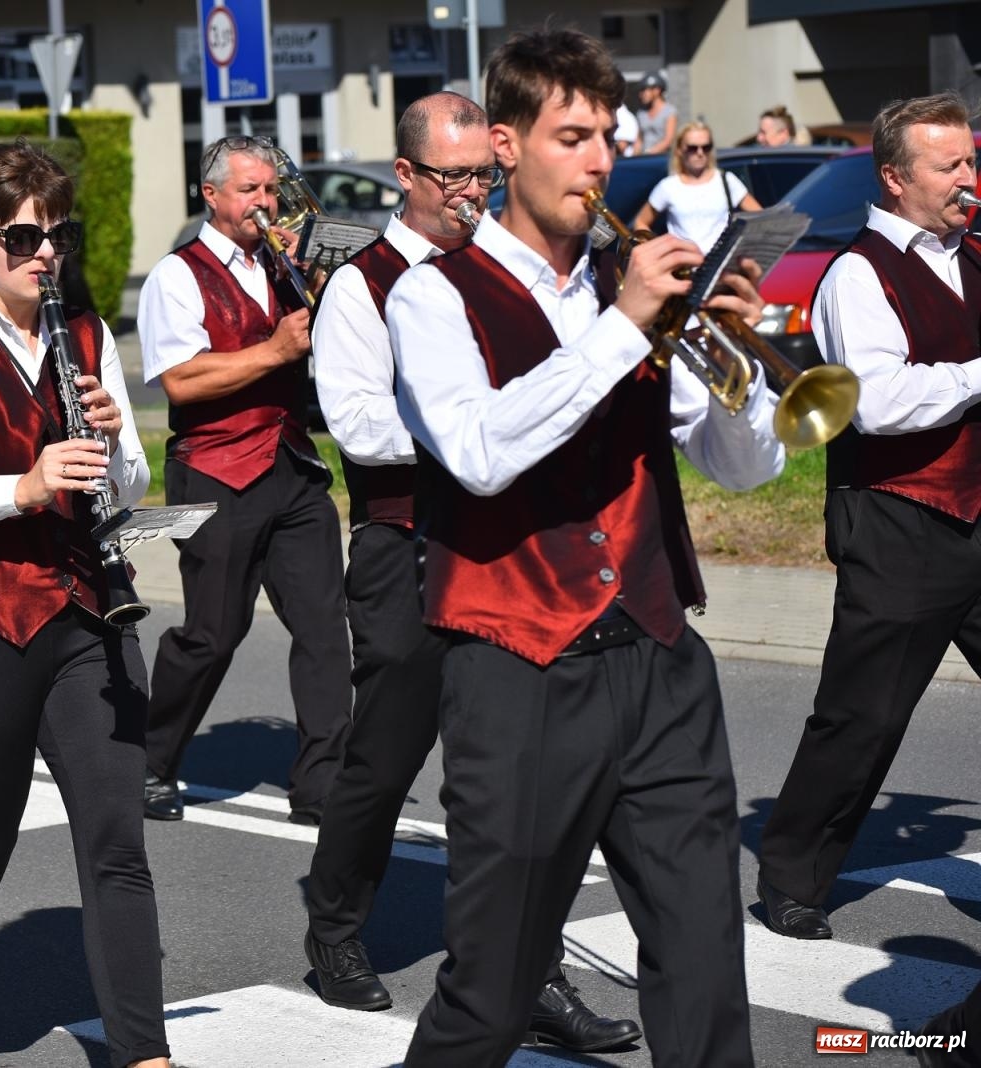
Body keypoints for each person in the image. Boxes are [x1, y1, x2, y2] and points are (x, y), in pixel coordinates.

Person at [387, 27, 785, 1064]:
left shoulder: (629, 284)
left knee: (705, 970)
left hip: (660, 657)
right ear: (505, 146)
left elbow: (743, 470)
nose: (602, 159)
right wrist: (623, 326)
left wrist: (740, 367)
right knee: (492, 993)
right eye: (573, 137)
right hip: (519, 670)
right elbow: (478, 453)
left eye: (608, 135)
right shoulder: (433, 292)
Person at [304, 90, 641, 1053]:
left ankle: (529, 972)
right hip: (406, 541)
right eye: (452, 177)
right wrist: (466, 420)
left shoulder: (516, 272)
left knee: (508, 777)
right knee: (386, 756)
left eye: (484, 175)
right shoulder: (363, 286)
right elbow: (358, 426)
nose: (472, 194)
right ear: (405, 175)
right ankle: (335, 927)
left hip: (514, 547)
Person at [0, 140, 170, 1068]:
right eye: (22, 236)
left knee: (116, 841)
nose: (44, 253)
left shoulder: (85, 334)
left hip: (89, 616)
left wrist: (115, 445)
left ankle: (145, 1053)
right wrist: (23, 487)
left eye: (56, 235)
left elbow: (128, 484)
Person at [756, 92, 981, 942]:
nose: (968, 178)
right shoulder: (856, 274)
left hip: (976, 509)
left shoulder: (975, 255)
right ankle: (792, 875)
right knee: (864, 716)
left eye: (970, 160)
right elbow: (880, 405)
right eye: (949, 165)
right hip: (898, 520)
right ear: (895, 177)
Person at [137, 134, 352, 825]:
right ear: (211, 195)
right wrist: (275, 350)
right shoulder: (177, 275)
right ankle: (151, 760)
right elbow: (181, 380)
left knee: (325, 628)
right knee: (212, 634)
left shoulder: (282, 264)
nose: (265, 203)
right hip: (215, 469)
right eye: (249, 190)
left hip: (292, 464)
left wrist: (325, 283)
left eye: (269, 190)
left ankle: (321, 786)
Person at [634, 122, 762, 253]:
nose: (700, 153)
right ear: (679, 150)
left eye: (706, 147)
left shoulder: (727, 180)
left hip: (721, 262)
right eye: (692, 148)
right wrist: (660, 251)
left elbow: (762, 218)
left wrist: (743, 247)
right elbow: (640, 222)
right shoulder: (668, 187)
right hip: (684, 263)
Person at [635, 71, 677, 155]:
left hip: (662, 157)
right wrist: (633, 156)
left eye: (644, 90)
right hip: (644, 157)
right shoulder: (641, 113)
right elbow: (639, 140)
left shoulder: (670, 111)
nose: (641, 95)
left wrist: (649, 153)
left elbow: (668, 140)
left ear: (656, 90)